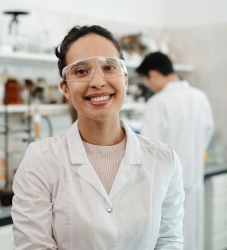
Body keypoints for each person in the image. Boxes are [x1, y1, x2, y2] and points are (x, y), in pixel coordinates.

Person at [11, 26, 185, 250]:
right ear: (65, 88)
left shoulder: (164, 160)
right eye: (81, 71)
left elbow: (169, 241)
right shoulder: (40, 161)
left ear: (125, 79)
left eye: (109, 67)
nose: (98, 82)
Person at [137, 52, 214, 250]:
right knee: (192, 237)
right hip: (195, 182)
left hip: (167, 190)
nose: (148, 86)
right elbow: (207, 134)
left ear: (153, 74)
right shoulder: (200, 97)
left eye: (146, 80)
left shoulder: (157, 103)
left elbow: (148, 151)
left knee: (169, 241)